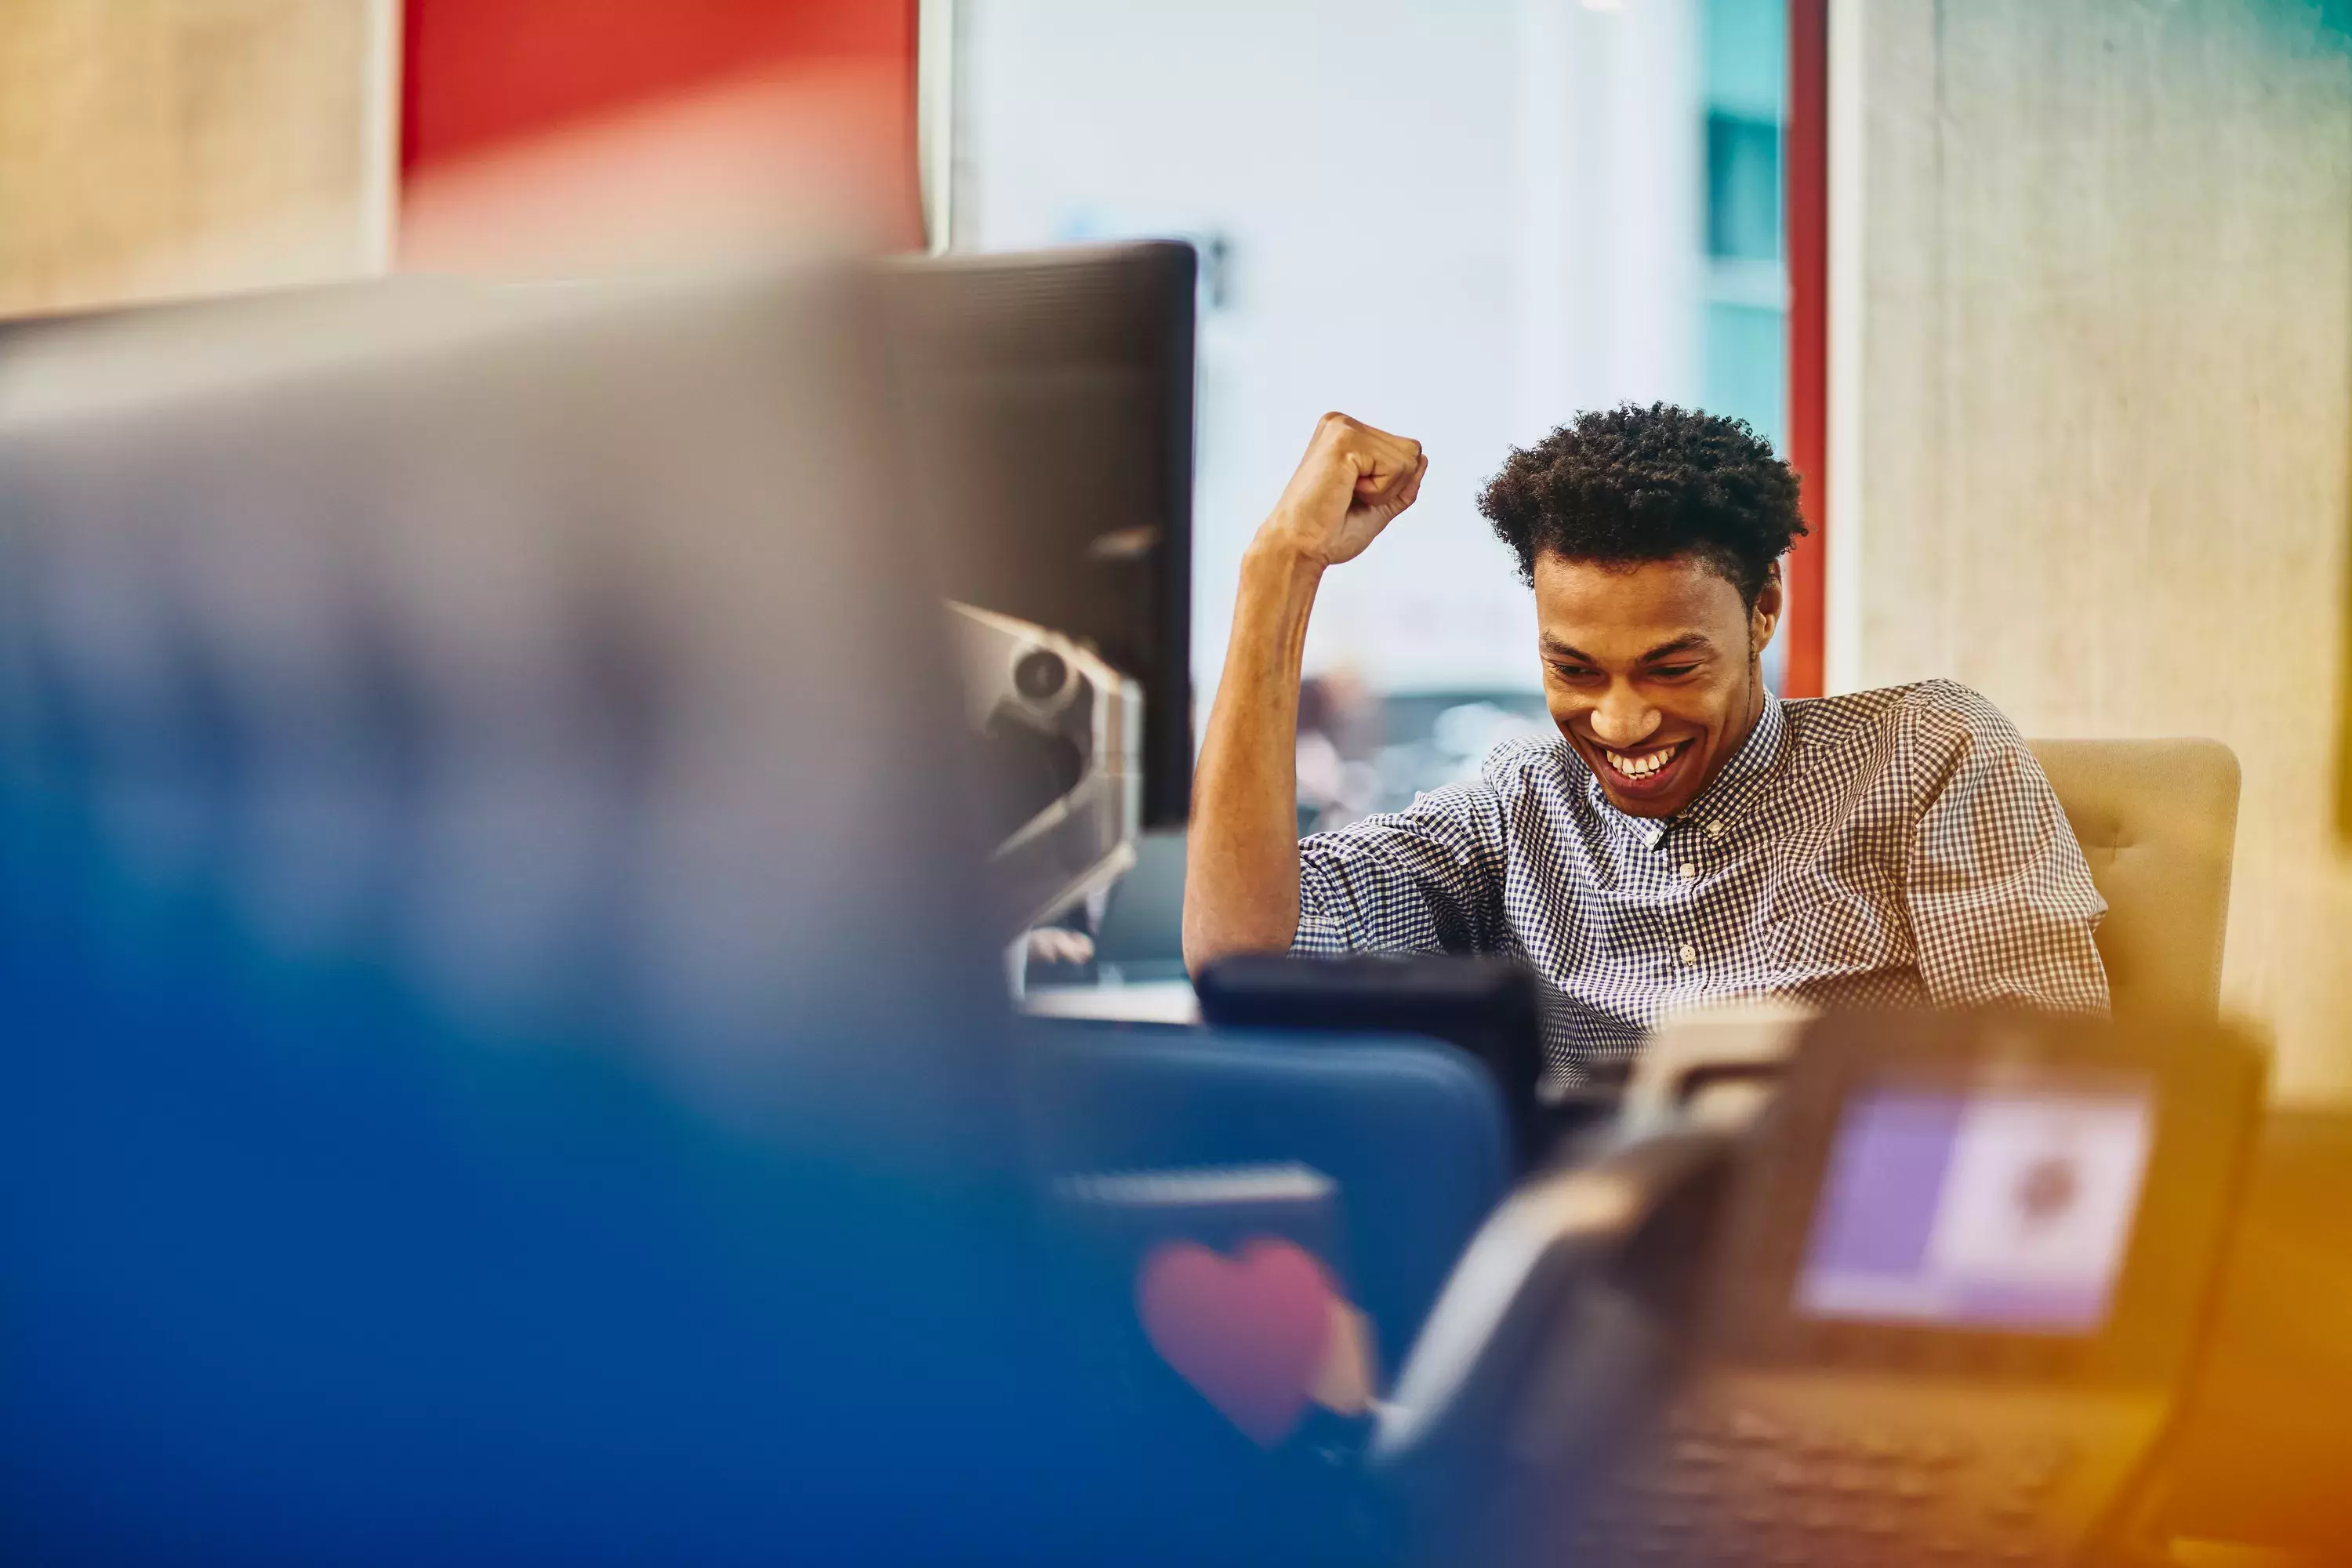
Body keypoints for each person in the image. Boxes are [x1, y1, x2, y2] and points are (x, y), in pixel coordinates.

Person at [1182, 404, 2107, 1084]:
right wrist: (1281, 567)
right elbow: (1240, 949)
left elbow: (2051, 1091)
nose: (1621, 723)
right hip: (1580, 1268)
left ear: (1764, 609)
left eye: (1671, 668)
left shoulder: (1926, 750)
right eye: (1577, 670)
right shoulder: (1517, 806)